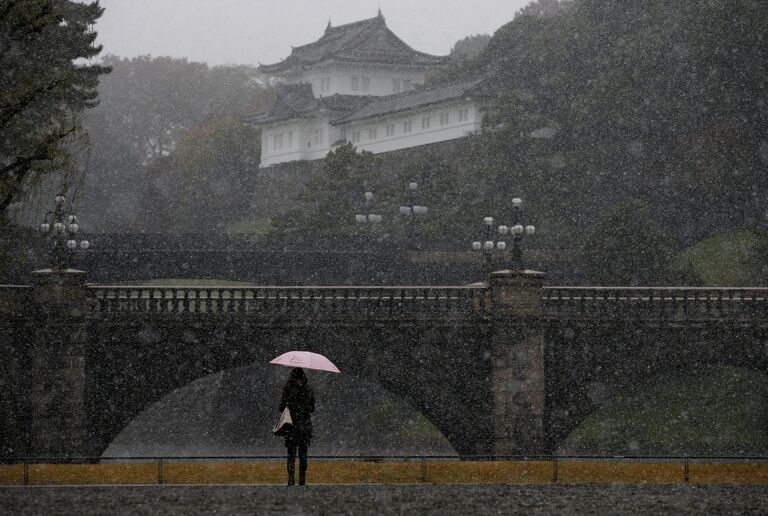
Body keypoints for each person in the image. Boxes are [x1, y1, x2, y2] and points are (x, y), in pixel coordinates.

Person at [279, 367, 315, 485]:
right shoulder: (308, 389)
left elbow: (281, 407)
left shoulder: (288, 389)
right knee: (303, 453)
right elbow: (312, 409)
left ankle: (290, 479)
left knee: (291, 454)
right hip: (304, 426)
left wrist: (289, 404)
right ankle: (302, 479)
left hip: (291, 426)